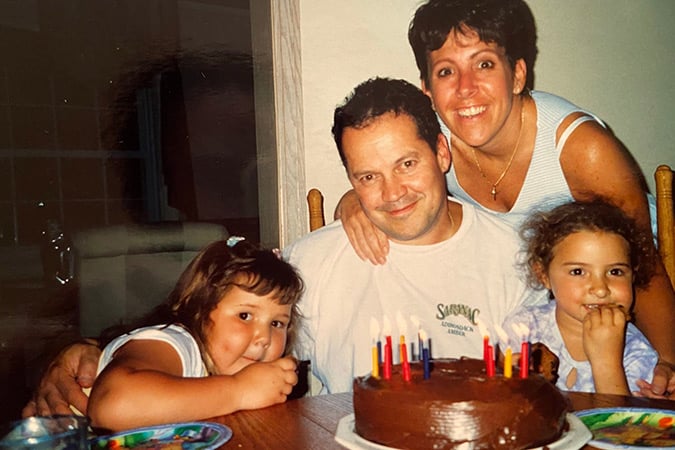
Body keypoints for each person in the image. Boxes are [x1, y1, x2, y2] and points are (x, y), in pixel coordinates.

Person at [23, 78, 548, 409]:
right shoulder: (309, 264)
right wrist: (90, 351)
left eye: (406, 164)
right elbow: (215, 339)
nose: (391, 194)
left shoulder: (519, 255)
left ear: (441, 152)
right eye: (366, 177)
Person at [336, 0, 675, 398]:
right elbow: (393, 177)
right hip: (554, 307)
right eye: (446, 71)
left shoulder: (583, 150)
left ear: (516, 74)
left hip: (633, 288)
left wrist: (670, 358)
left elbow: (646, 264)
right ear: (427, 89)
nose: (465, 88)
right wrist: (353, 199)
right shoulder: (441, 145)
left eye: (484, 64)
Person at [85, 237, 303, 431]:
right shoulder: (177, 343)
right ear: (199, 310)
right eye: (245, 316)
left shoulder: (216, 370)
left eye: (277, 323)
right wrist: (239, 391)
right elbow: (112, 407)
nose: (264, 337)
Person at [503, 200, 658, 395]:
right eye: (578, 271)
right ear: (543, 275)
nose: (600, 289)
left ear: (633, 275)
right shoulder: (523, 329)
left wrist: (607, 361)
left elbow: (618, 423)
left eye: (616, 272)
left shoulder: (637, 352)